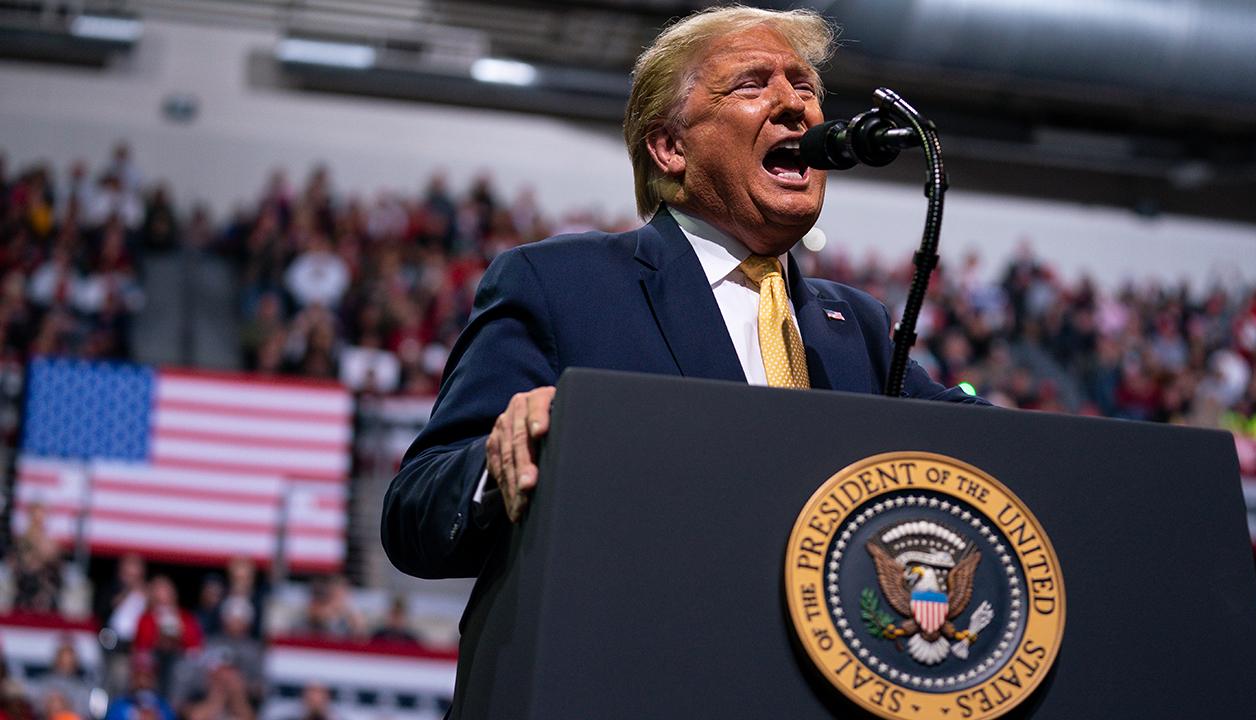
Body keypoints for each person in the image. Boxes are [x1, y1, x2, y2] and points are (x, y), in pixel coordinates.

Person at [382, 2, 983, 588]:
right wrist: (500, 458)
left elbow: (987, 446)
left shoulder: (857, 325)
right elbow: (415, 512)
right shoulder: (560, 284)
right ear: (670, 148)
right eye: (752, 85)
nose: (796, 107)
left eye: (804, 86)